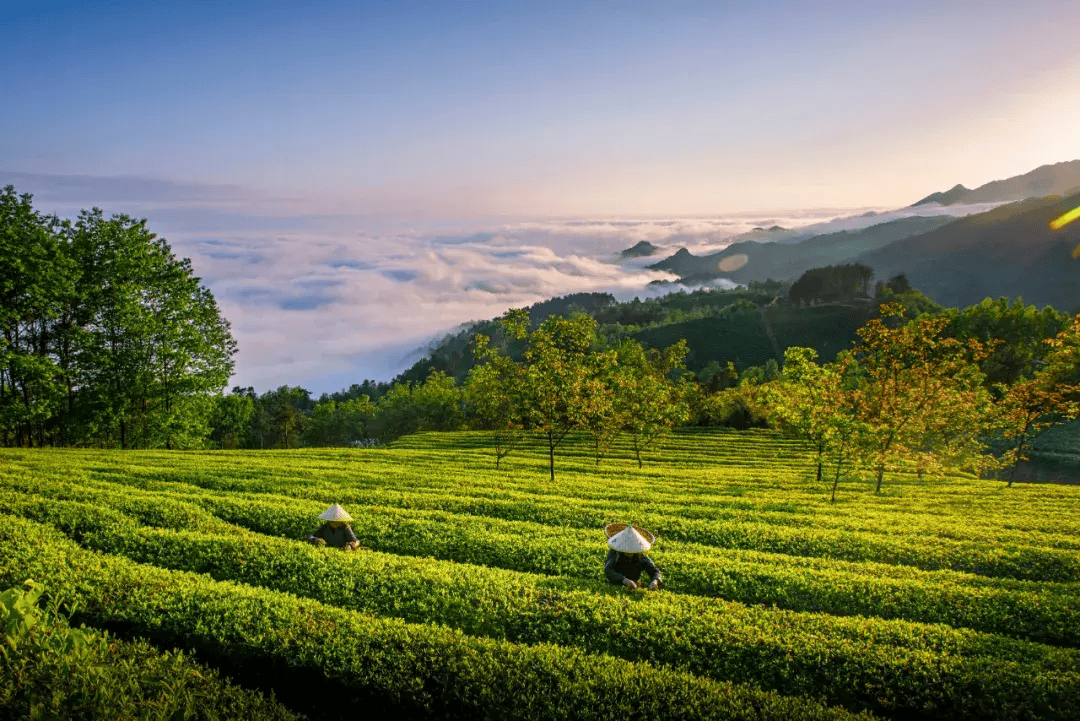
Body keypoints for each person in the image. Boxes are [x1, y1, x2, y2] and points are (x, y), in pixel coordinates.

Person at [603, 523, 661, 590]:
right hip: (616, 585)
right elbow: (608, 570)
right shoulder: (615, 553)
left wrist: (655, 581)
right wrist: (624, 580)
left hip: (634, 584)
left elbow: (654, 571)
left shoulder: (640, 556)